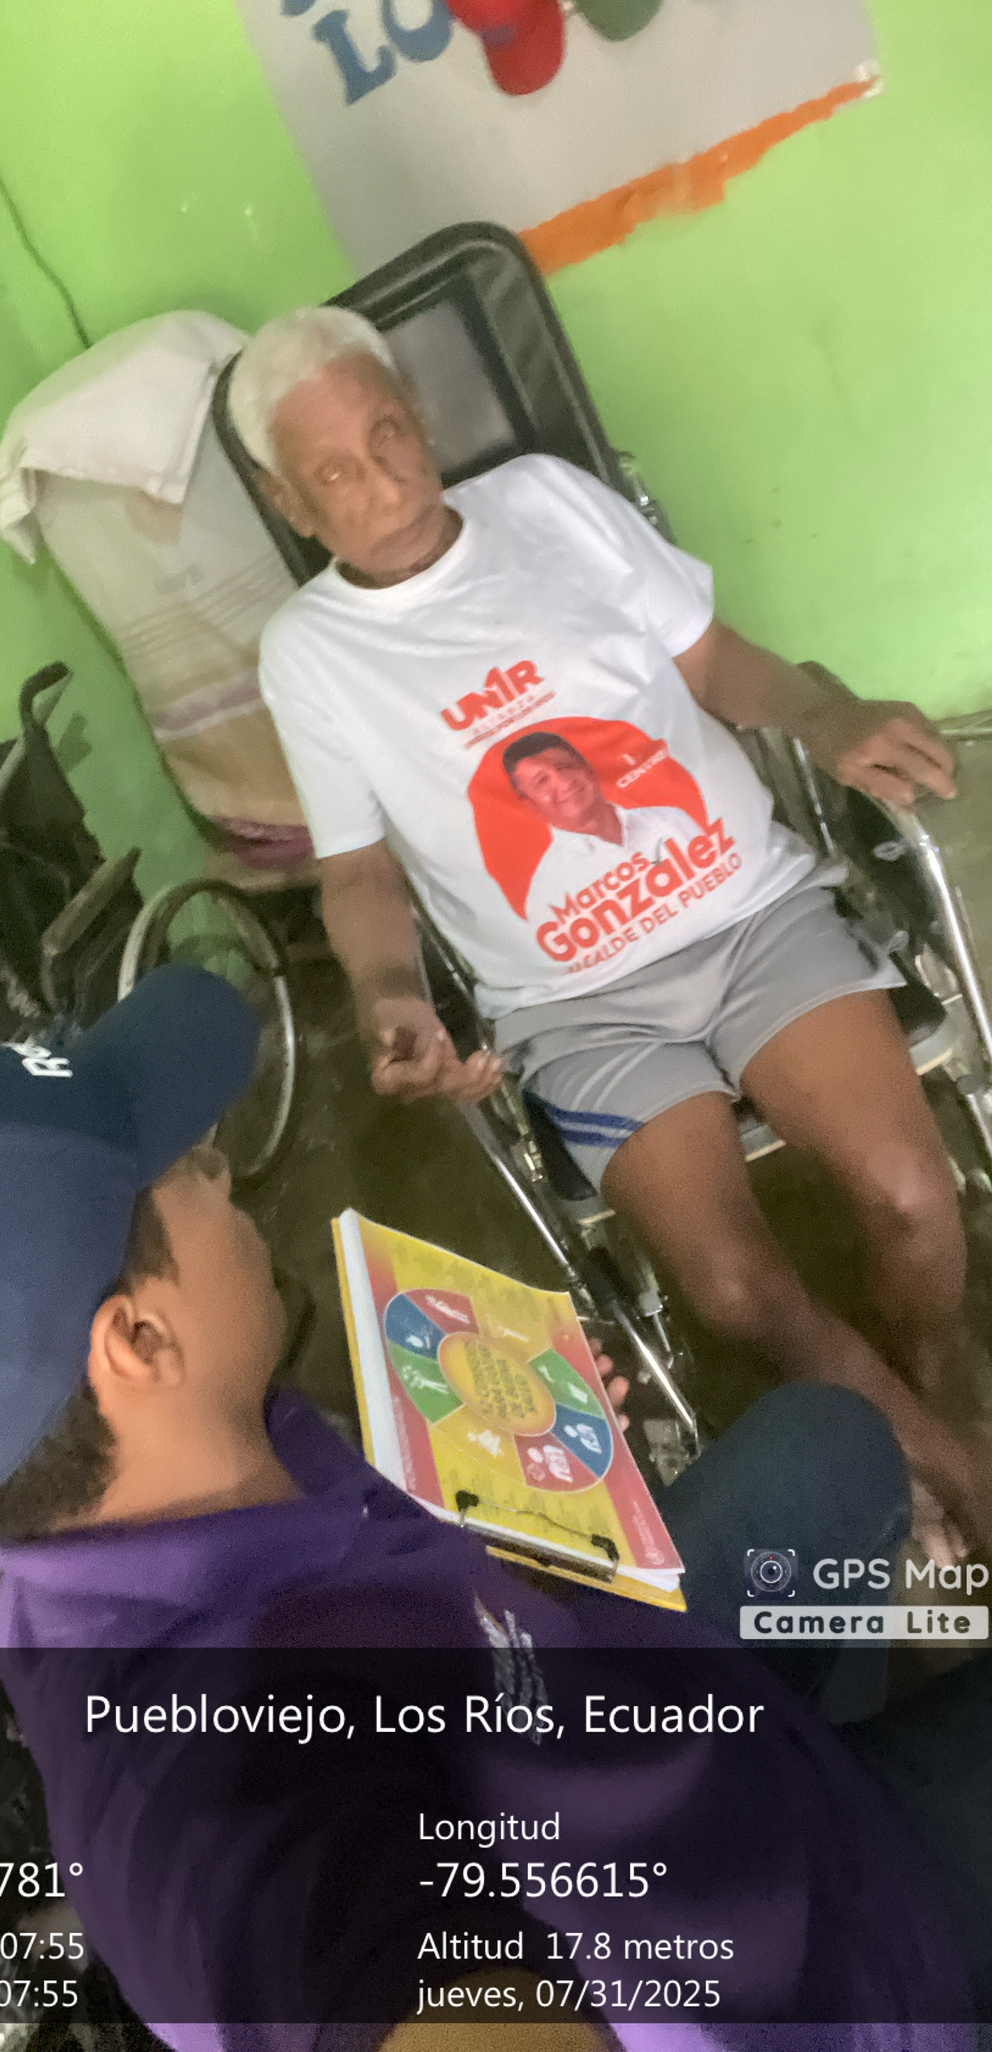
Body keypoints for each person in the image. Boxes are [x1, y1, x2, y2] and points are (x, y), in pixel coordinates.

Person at [0, 965, 988, 2048]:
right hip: (821, 1972)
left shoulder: (187, 1465)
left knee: (832, 1444)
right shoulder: (222, 1786)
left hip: (660, 1741)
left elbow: (413, 1616)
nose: (221, 1166)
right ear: (137, 1340)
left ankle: (848, 1707)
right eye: (183, 1166)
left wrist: (529, 1494)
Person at [225, 305, 991, 1556]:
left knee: (911, 1193)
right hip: (576, 1006)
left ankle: (933, 1382)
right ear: (289, 502)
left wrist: (822, 712)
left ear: (420, 414)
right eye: (337, 474)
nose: (387, 481)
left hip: (748, 913)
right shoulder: (311, 655)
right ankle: (951, 1465)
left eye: (391, 432)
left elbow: (715, 663)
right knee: (733, 1284)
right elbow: (358, 873)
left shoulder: (544, 501)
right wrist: (390, 995)